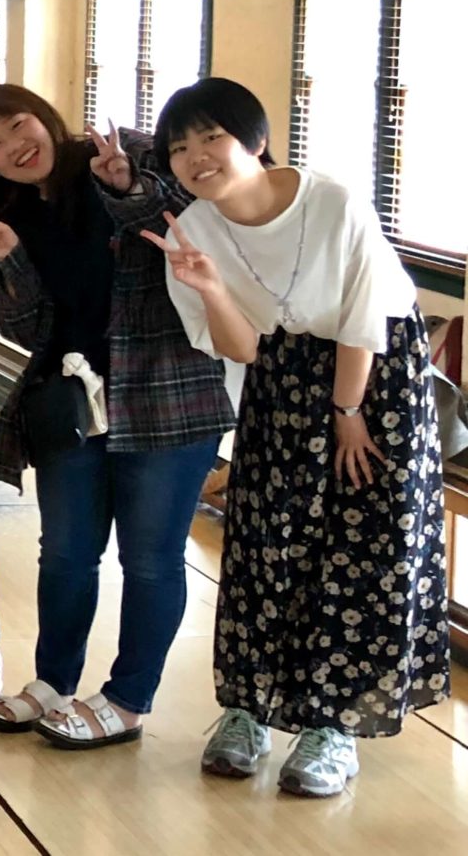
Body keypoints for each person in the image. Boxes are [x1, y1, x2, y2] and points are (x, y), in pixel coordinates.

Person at [145, 77, 448, 798]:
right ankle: (246, 711)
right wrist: (212, 287)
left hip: (375, 378)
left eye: (211, 138)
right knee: (263, 542)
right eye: (180, 148)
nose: (196, 158)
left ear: (254, 139)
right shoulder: (193, 229)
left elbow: (362, 318)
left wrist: (348, 413)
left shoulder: (331, 200)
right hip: (280, 379)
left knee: (362, 550)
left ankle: (331, 726)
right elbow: (243, 349)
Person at [0, 84, 232, 751]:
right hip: (72, 402)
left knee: (152, 559)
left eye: (18, 125)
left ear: (45, 117)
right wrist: (7, 260)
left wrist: (129, 187)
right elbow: (25, 325)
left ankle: (129, 699)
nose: (12, 146)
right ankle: (53, 682)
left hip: (167, 394)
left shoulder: (126, 155)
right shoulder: (11, 210)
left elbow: (194, 225)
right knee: (67, 553)